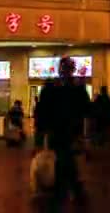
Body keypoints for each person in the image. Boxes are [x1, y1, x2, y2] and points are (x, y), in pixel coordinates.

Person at [37, 56, 90, 201]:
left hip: (59, 130)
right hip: (68, 130)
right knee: (66, 158)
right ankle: (71, 187)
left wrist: (41, 130)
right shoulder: (76, 87)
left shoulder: (51, 86)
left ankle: (64, 188)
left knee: (63, 157)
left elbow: (41, 110)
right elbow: (86, 109)